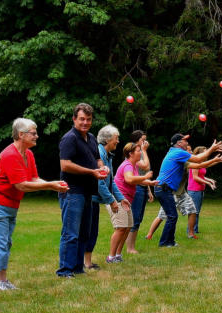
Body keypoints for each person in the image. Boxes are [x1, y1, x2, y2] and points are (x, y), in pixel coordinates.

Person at [0, 118, 68, 290]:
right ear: (21, 135)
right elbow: (21, 185)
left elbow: (33, 178)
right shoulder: (10, 155)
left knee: (5, 242)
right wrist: (50, 185)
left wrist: (52, 184)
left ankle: (2, 281)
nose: (37, 136)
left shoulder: (27, 154)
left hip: (9, 205)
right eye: (33, 133)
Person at [57, 103, 108, 278]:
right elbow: (65, 165)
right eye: (81, 119)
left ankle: (78, 268)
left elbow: (97, 158)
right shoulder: (69, 138)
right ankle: (65, 270)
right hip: (72, 191)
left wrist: (102, 168)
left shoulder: (91, 137)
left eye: (88, 119)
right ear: (74, 119)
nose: (85, 122)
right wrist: (91, 172)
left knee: (83, 233)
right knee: (70, 233)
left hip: (87, 191)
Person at [152, 134, 222, 246]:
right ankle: (164, 242)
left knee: (172, 216)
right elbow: (198, 158)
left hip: (164, 189)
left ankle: (169, 241)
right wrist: (212, 148)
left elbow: (198, 165)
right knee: (171, 216)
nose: (187, 143)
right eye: (185, 140)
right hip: (163, 188)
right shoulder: (178, 152)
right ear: (179, 143)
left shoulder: (177, 155)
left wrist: (215, 160)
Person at [88, 125, 131, 267]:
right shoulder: (99, 154)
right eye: (116, 138)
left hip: (95, 198)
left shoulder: (108, 155)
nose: (118, 141)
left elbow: (110, 181)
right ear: (107, 140)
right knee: (88, 232)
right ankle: (84, 263)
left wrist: (120, 198)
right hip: (91, 197)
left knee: (92, 231)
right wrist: (111, 201)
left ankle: (86, 263)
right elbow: (99, 182)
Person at [125, 130, 153, 254]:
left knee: (139, 218)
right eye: (143, 139)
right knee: (134, 218)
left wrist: (149, 190)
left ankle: (132, 247)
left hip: (143, 186)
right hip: (136, 188)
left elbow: (144, 174)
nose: (145, 142)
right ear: (136, 140)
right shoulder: (135, 152)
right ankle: (129, 248)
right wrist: (144, 151)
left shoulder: (140, 152)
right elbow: (146, 167)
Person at [187, 146, 218, 234]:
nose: (206, 154)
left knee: (196, 212)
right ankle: (190, 231)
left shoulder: (201, 163)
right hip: (194, 190)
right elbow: (195, 177)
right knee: (194, 212)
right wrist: (208, 183)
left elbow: (201, 175)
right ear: (200, 153)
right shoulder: (195, 163)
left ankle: (194, 230)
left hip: (199, 190)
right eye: (204, 152)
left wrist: (209, 180)